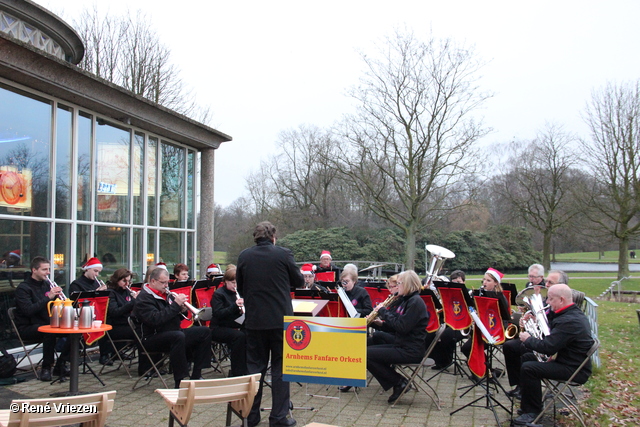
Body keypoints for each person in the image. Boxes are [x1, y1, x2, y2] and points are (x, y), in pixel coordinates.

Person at [236, 221, 303, 427]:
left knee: (254, 370)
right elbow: (299, 281)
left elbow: (240, 285)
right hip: (280, 320)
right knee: (281, 369)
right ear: (273, 237)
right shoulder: (283, 254)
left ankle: (251, 417)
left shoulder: (244, 256)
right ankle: (278, 418)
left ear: (255, 237)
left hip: (255, 320)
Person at [512, 284, 594, 425]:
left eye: (550, 299)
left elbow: (548, 347)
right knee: (527, 358)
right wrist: (535, 321)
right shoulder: (569, 314)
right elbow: (554, 335)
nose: (547, 302)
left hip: (574, 369)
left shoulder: (570, 321)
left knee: (529, 368)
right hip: (568, 361)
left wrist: (528, 339)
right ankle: (528, 406)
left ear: (561, 300)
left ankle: (533, 412)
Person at [133, 267, 212, 388]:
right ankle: (180, 380)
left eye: (167, 282)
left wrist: (182, 310)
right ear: (153, 281)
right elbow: (155, 320)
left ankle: (197, 374)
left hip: (170, 332)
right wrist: (175, 305)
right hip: (150, 337)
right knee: (178, 336)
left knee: (204, 332)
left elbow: (174, 317)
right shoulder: (144, 298)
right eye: (163, 282)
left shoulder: (166, 294)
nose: (166, 286)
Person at [367, 270, 429, 403]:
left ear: (407, 284)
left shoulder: (415, 302)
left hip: (411, 350)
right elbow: (395, 326)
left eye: (399, 283)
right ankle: (397, 382)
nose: (397, 286)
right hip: (402, 344)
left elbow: (402, 327)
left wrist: (383, 311)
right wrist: (378, 324)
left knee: (366, 354)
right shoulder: (405, 300)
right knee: (368, 350)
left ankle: (399, 382)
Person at [504, 269, 568, 397]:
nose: (547, 284)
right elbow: (543, 319)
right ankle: (519, 384)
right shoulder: (548, 298)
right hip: (541, 338)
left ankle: (527, 389)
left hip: (549, 345)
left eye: (550, 282)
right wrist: (530, 320)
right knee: (509, 346)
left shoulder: (559, 302)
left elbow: (554, 328)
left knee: (525, 350)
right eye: (547, 282)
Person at [13, 256, 70, 381]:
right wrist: (48, 297)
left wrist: (58, 300)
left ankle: (60, 364)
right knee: (49, 332)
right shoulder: (23, 288)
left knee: (75, 332)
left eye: (48, 269)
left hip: (46, 324)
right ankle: (46, 368)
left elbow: (49, 307)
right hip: (27, 326)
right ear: (34, 270)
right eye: (44, 270)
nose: (48, 272)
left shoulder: (46, 285)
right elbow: (28, 311)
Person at [461, 267, 511, 359]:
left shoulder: (500, 297)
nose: (484, 282)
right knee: (466, 348)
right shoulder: (480, 293)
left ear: (496, 283)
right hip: (482, 328)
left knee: (469, 348)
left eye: (488, 280)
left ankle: (487, 370)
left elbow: (504, 316)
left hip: (496, 329)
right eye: (484, 279)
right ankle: (484, 369)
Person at [210, 265, 247, 377]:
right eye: (232, 283)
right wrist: (235, 306)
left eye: (237, 283)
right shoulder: (219, 294)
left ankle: (247, 368)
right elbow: (219, 314)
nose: (235, 286)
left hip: (235, 325)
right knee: (239, 337)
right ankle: (237, 371)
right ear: (225, 281)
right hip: (219, 328)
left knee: (250, 333)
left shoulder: (239, 293)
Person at [99, 268, 138, 365]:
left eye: (129, 281)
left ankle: (118, 352)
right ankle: (107, 354)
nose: (127, 284)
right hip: (113, 326)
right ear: (117, 280)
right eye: (124, 281)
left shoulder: (127, 291)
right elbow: (114, 312)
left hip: (125, 323)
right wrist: (132, 302)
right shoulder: (111, 293)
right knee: (140, 332)